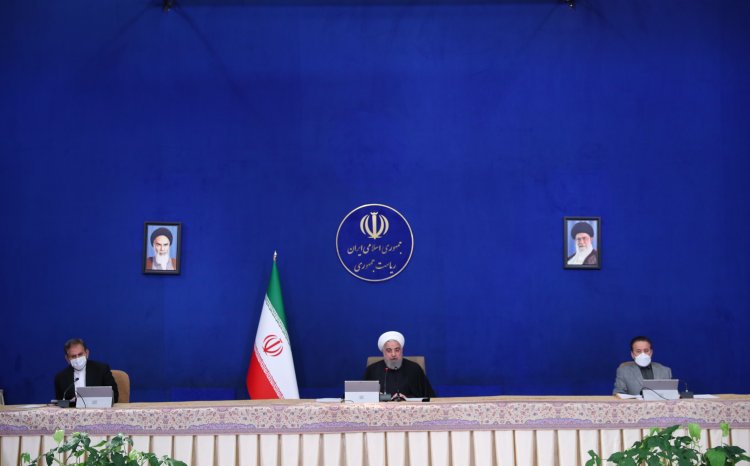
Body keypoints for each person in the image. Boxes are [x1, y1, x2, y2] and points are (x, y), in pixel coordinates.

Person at [363, 331, 435, 400]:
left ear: (402, 350)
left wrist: (406, 398)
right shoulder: (372, 370)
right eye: (389, 350)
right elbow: (363, 397)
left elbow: (428, 397)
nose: (393, 354)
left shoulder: (414, 369)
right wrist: (384, 398)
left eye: (397, 350)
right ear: (383, 352)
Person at [54, 338, 119, 404]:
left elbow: (114, 396)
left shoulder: (102, 369)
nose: (77, 359)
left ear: (87, 353)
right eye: (73, 356)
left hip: (97, 408)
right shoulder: (60, 377)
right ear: (67, 358)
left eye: (80, 354)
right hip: (73, 410)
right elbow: (60, 403)